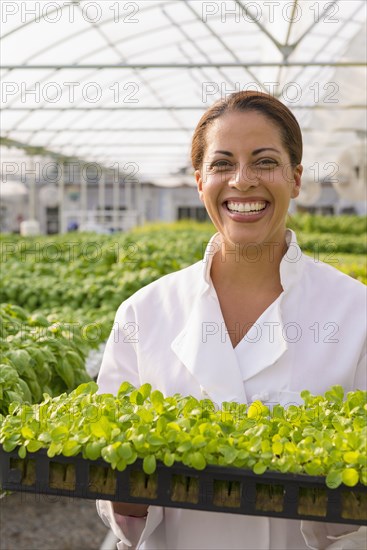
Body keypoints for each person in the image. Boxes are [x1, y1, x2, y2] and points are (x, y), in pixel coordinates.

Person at [96, 91, 367, 550]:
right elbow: (114, 502)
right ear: (200, 181)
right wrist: (127, 500)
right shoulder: (144, 313)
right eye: (223, 164)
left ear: (296, 178)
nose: (243, 181)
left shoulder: (355, 313)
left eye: (265, 162)